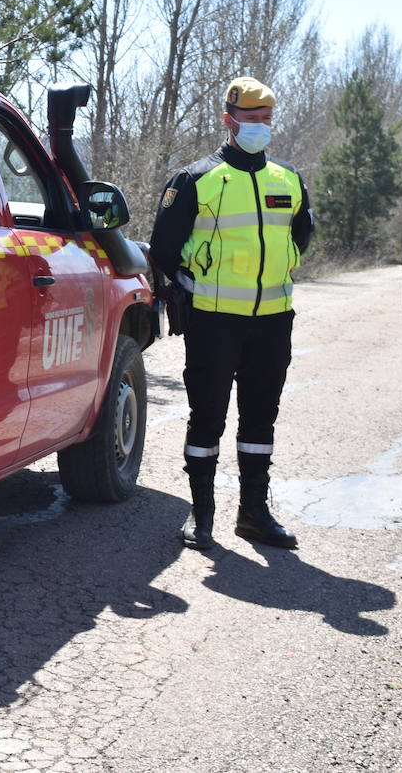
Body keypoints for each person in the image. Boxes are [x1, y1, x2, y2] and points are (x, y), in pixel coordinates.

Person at [149, 76, 315, 551]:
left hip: (273, 320)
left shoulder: (287, 179)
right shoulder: (196, 178)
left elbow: (300, 235)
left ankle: (254, 515)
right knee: (208, 418)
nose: (259, 127)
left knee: (261, 418)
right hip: (214, 320)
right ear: (229, 121)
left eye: (266, 120)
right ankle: (200, 517)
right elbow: (164, 247)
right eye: (250, 119)